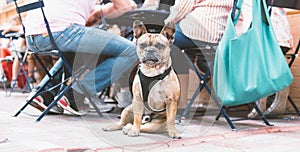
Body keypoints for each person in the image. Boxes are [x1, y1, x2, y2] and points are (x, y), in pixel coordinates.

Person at [24, 0, 138, 114]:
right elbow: (123, 6)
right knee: (131, 50)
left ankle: (44, 94)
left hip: (33, 36)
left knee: (75, 48)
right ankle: (76, 93)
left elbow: (90, 17)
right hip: (61, 32)